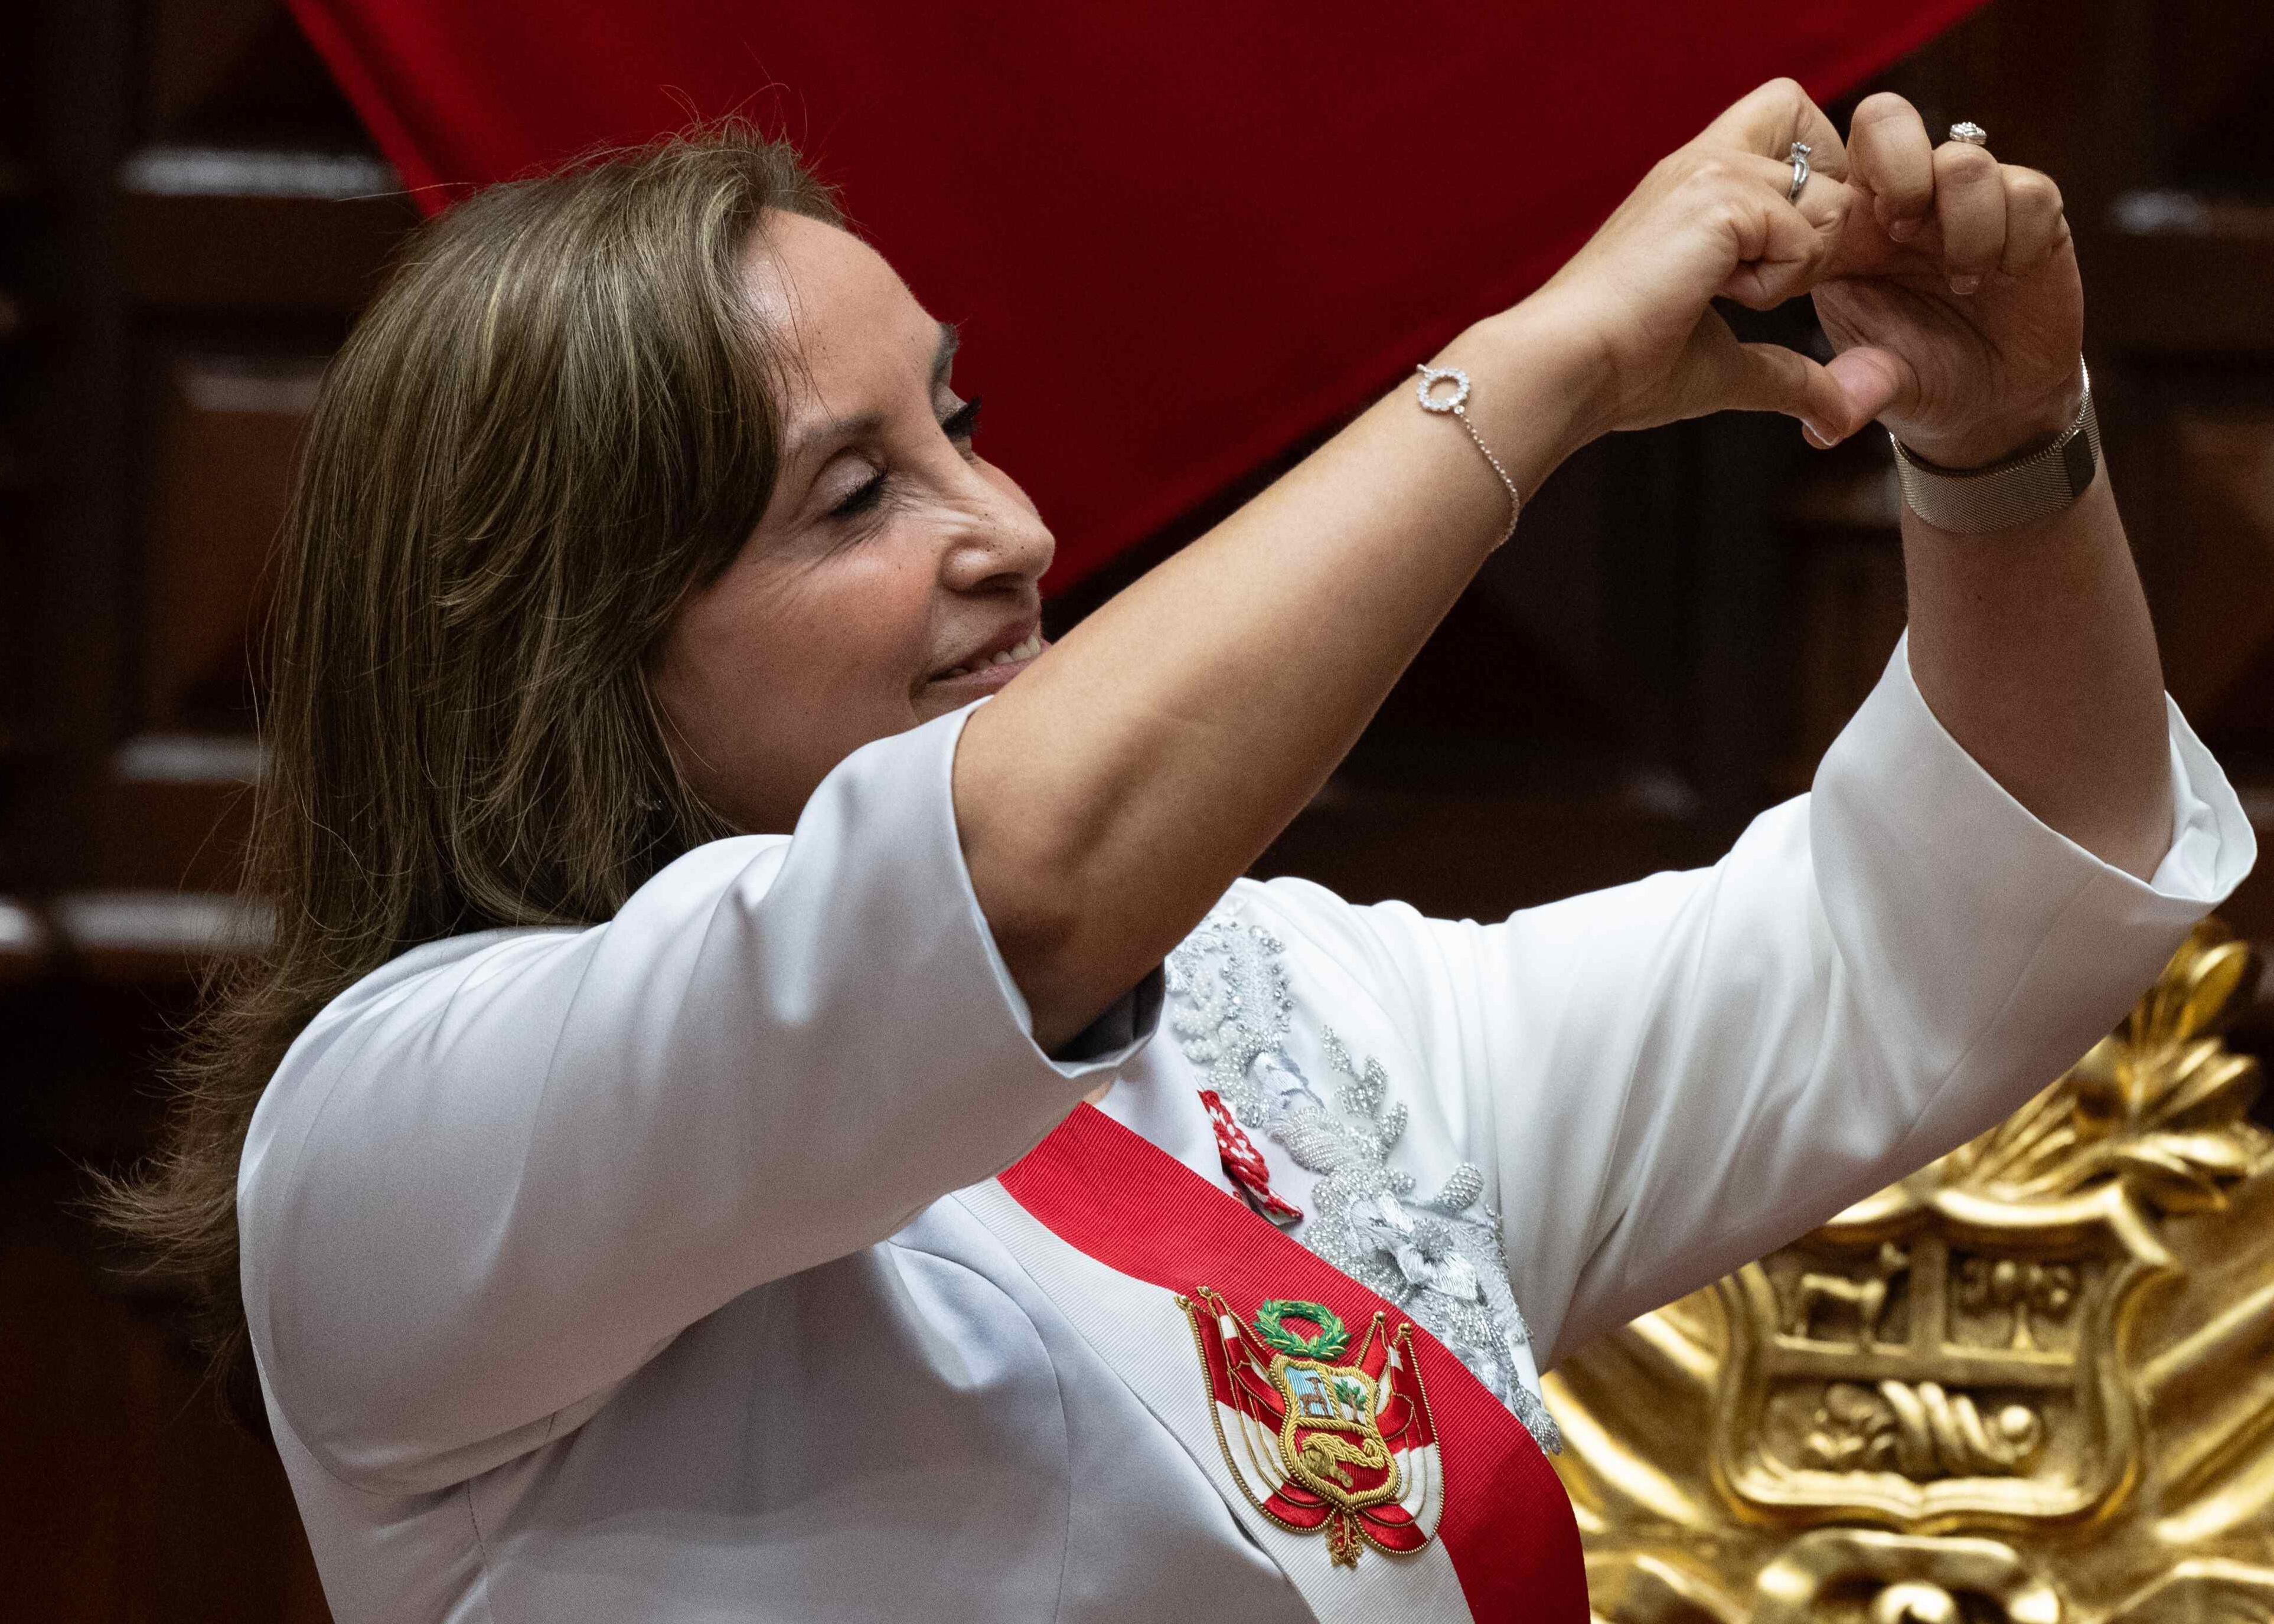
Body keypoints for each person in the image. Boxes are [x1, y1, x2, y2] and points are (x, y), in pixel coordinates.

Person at [110, 79, 2250, 1623]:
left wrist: (1993, 440)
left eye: (958, 417)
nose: (1011, 531)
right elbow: (1002, 882)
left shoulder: (1275, 1011)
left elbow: (1964, 903)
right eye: (851, 498)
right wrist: (1543, 365)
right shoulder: (395, 1137)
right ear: (577, 651)